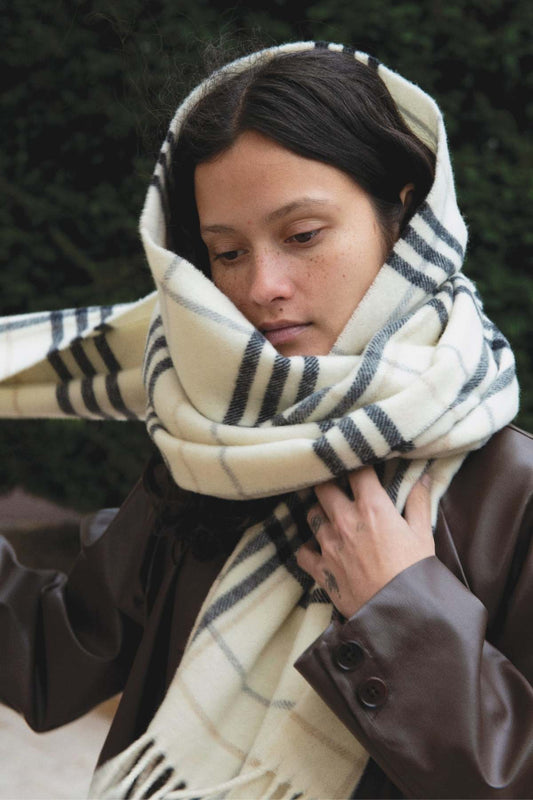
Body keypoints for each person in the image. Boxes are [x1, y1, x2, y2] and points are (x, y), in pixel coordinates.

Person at [0, 40, 532, 800]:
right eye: (226, 252)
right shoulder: (211, 455)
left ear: (406, 215)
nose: (261, 287)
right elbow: (54, 659)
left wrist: (400, 609)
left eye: (302, 235)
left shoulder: (514, 498)